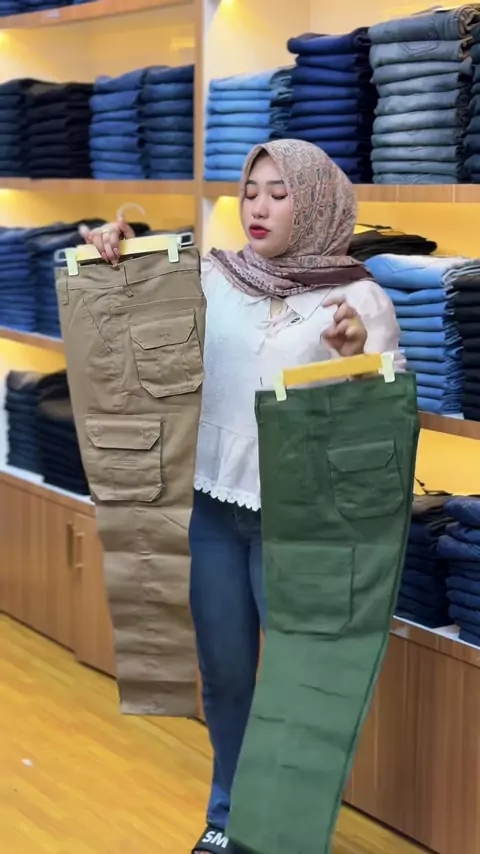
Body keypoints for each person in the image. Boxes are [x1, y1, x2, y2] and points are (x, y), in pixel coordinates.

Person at [80, 139, 401, 854]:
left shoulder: (358, 296)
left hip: (301, 521)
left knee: (298, 685)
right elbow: (135, 310)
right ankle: (226, 816)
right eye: (251, 190)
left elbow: (385, 409)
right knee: (225, 676)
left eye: (280, 194)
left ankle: (280, 833)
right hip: (213, 511)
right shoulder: (216, 276)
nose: (258, 206)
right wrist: (115, 250)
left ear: (316, 204)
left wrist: (359, 356)